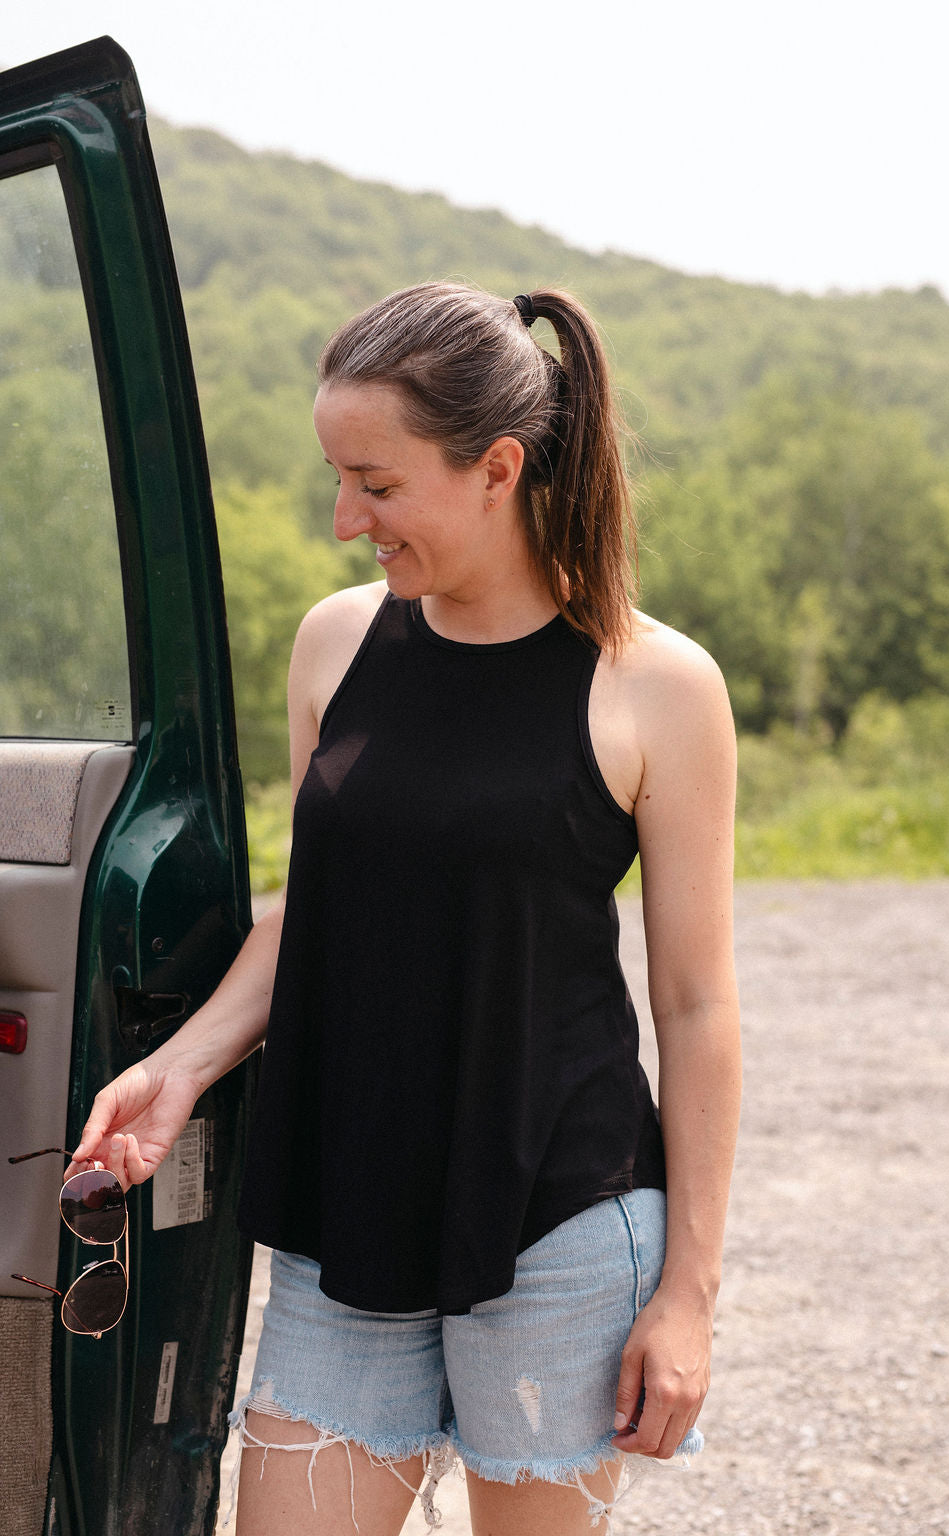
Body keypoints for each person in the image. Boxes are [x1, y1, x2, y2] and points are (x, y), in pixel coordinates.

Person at [70, 283, 742, 1536]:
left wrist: (690, 1292)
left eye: (375, 485)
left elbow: (698, 1007)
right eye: (337, 477)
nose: (343, 520)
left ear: (496, 468)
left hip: (559, 1220)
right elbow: (315, 912)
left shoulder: (655, 685)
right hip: (346, 1209)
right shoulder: (335, 645)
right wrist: (180, 1067)